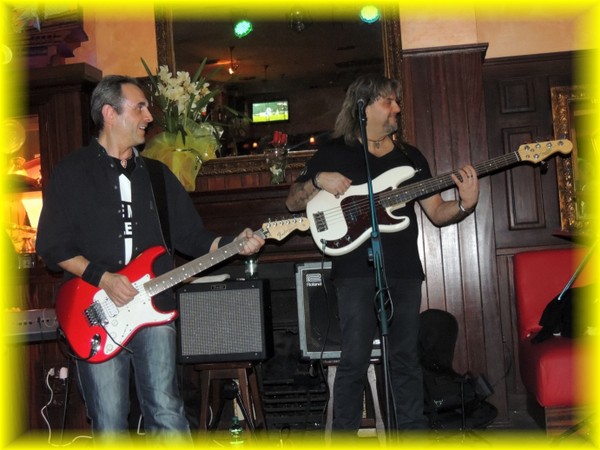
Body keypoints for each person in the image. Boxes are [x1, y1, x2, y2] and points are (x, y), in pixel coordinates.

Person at [36, 75, 265, 442]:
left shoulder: (157, 176)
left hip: (154, 308)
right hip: (94, 311)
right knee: (109, 420)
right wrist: (103, 278)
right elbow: (52, 246)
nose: (148, 116)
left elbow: (193, 238)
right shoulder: (72, 172)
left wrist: (234, 243)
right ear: (109, 113)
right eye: (139, 107)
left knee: (166, 410)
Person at [285, 74, 479, 433]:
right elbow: (293, 202)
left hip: (404, 270)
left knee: (405, 358)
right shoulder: (334, 152)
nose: (397, 108)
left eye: (396, 101)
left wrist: (465, 204)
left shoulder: (410, 157)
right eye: (388, 101)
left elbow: (437, 212)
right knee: (354, 359)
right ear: (363, 106)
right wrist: (317, 181)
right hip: (353, 270)